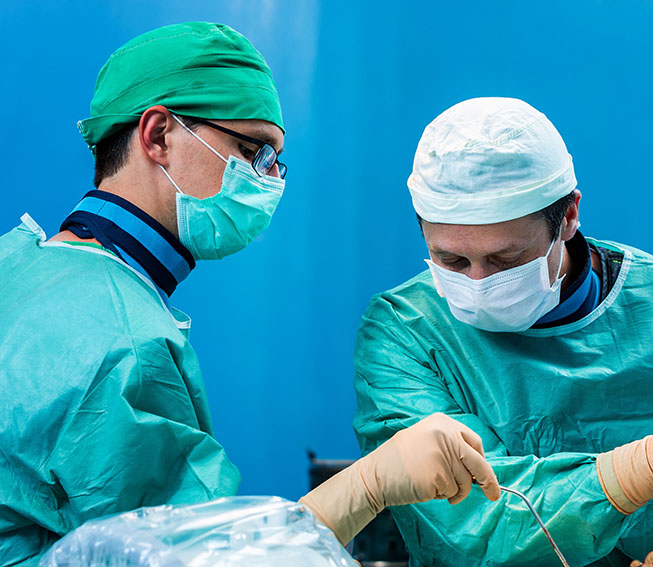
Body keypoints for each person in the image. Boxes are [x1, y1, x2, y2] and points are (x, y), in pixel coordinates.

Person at [0, 24, 500, 566]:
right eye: (254, 151)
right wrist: (366, 487)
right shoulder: (123, 344)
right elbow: (198, 560)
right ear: (159, 135)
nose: (270, 179)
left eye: (276, 161)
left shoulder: (18, 265)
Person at [352, 97, 653, 566]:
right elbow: (472, 525)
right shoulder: (405, 332)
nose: (478, 285)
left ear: (567, 217)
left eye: (505, 260)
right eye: (452, 261)